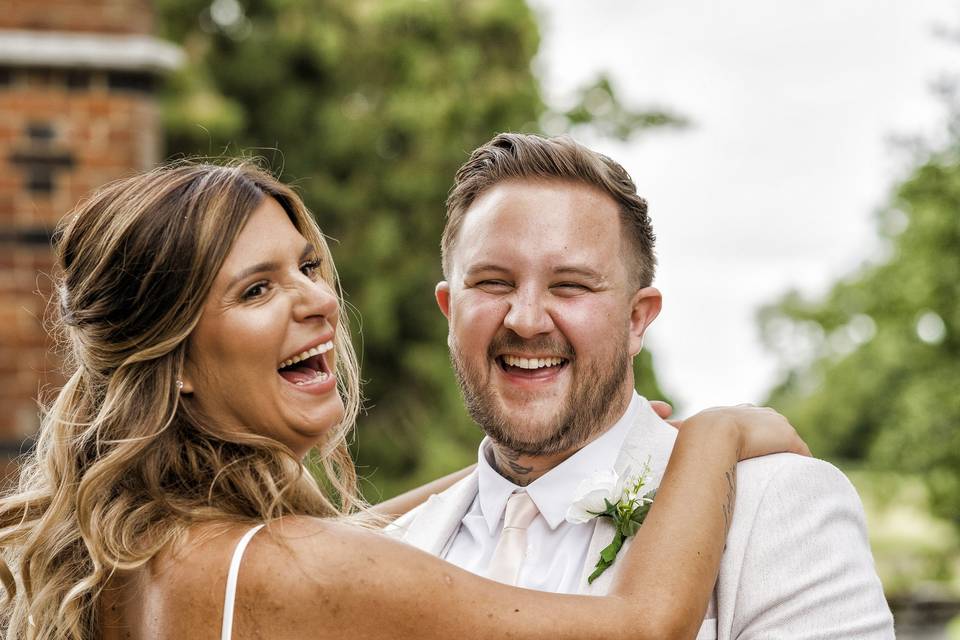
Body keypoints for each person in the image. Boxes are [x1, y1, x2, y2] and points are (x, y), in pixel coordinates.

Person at [0, 161, 808, 640]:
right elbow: (643, 626)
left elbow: (343, 544)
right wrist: (717, 432)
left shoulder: (142, 548)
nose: (316, 301)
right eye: (255, 289)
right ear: (172, 359)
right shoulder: (277, 566)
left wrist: (499, 480)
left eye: (307, 266)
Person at [389, 133, 896, 639]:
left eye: (570, 285)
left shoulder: (776, 505)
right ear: (451, 311)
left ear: (636, 319)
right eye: (493, 283)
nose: (525, 320)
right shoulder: (385, 550)